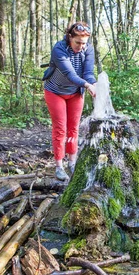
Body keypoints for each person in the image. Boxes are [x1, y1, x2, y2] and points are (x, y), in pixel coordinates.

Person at [43, 21, 97, 181]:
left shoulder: (88, 49)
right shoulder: (59, 49)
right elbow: (71, 74)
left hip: (75, 93)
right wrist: (87, 85)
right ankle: (59, 166)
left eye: (83, 43)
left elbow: (87, 72)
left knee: (73, 128)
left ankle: (72, 163)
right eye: (77, 42)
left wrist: (93, 84)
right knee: (60, 128)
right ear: (70, 37)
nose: (80, 46)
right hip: (55, 92)